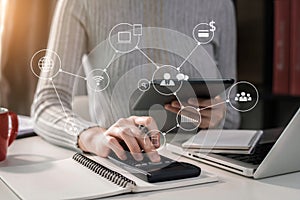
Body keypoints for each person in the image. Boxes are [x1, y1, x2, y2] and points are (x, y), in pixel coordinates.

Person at [31, 0, 240, 163]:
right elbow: (47, 103)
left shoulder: (220, 5)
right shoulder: (83, 3)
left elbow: (232, 115)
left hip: (205, 172)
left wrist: (217, 117)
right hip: (121, 168)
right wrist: (94, 137)